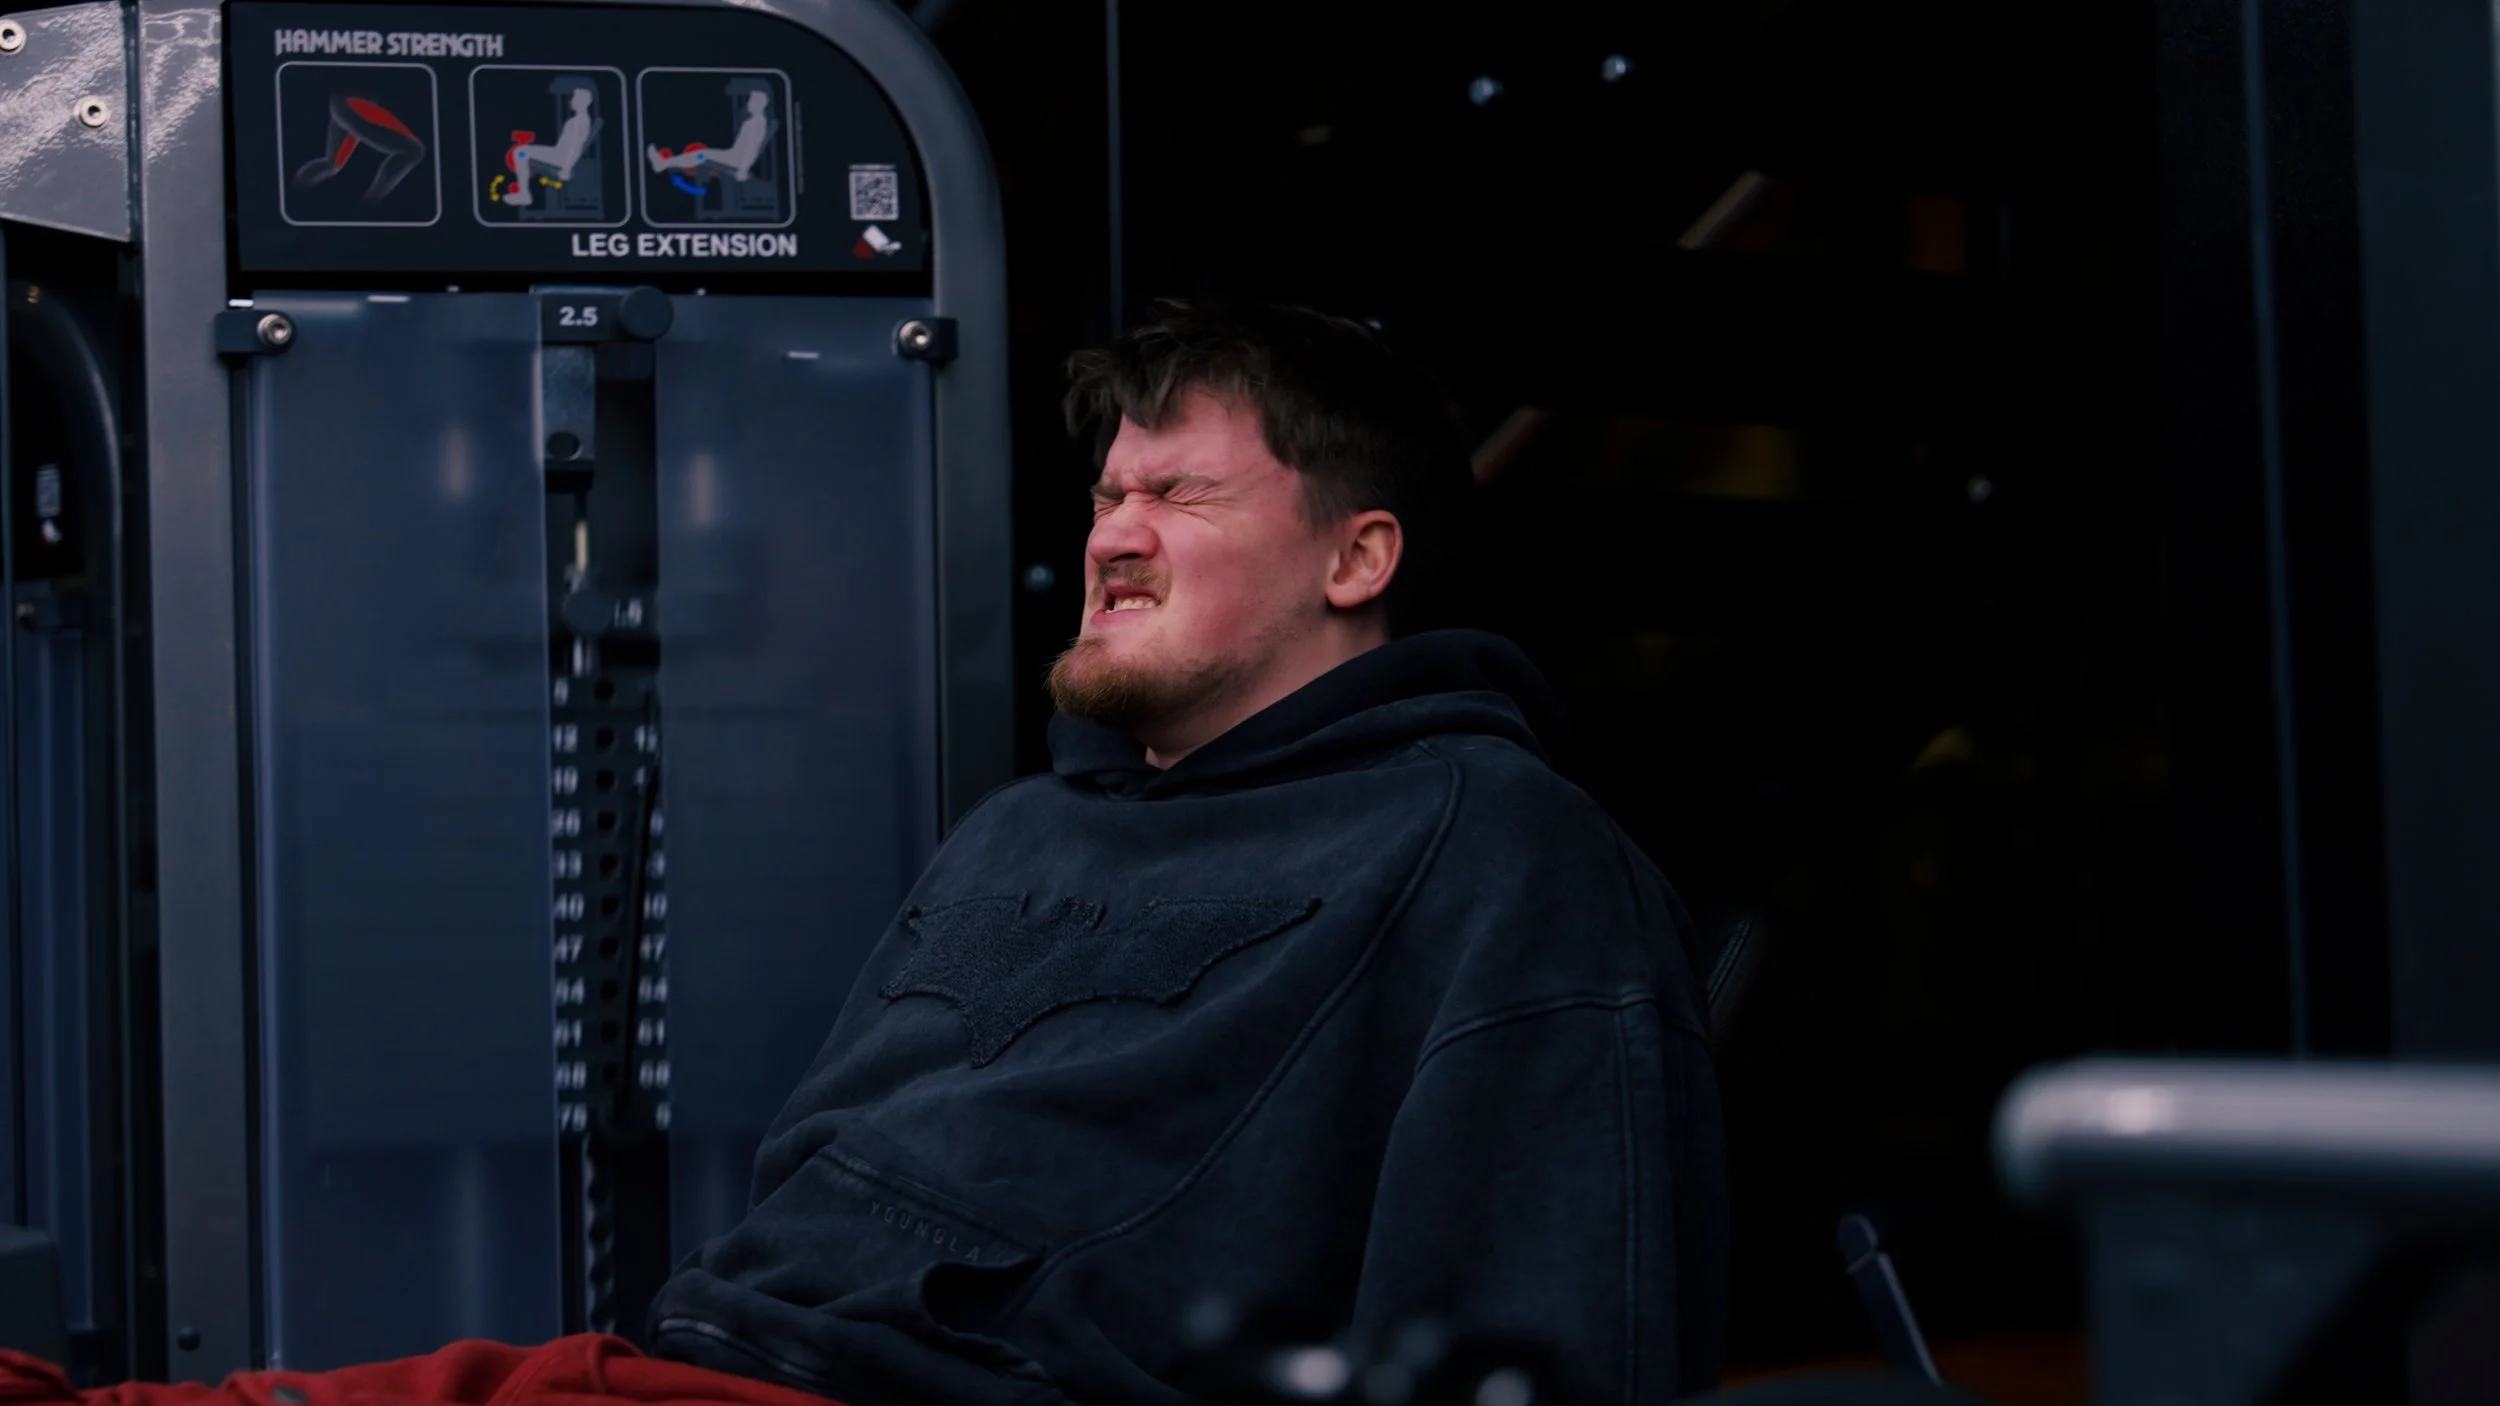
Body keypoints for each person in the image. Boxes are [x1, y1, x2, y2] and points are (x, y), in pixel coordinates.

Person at [0, 302, 1726, 1406]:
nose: (1112, 535)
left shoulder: (1497, 851)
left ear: (1358, 558)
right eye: (1106, 496)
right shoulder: (1026, 828)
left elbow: (1560, 1335)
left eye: (1182, 496)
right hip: (658, 1369)